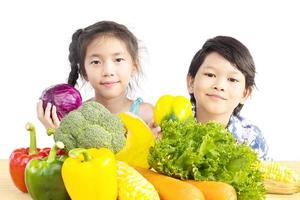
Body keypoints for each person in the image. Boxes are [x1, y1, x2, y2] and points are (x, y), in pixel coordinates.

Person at [37, 20, 156, 131]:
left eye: (118, 60)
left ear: (134, 66)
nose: (108, 71)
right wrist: (58, 132)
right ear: (84, 71)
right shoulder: (77, 116)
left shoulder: (147, 114)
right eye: (96, 62)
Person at [186, 36, 269, 160]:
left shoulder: (251, 139)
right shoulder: (169, 122)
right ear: (191, 82)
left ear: (245, 94)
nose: (219, 86)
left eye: (232, 79)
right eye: (210, 74)